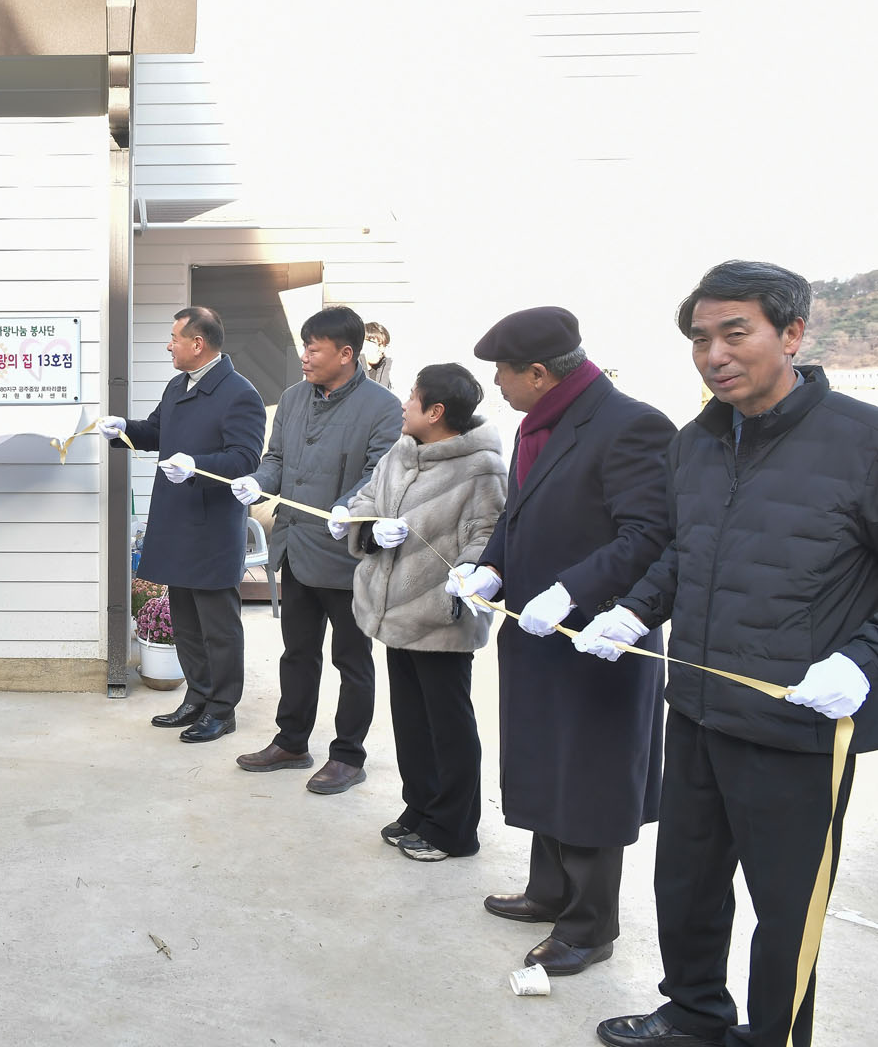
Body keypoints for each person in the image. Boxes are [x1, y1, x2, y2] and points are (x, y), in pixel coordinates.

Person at [578, 262, 878, 1047]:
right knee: (686, 883)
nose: (714, 354)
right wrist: (632, 611)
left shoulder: (862, 440)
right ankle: (692, 1015)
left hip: (796, 727)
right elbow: (686, 552)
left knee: (787, 908)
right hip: (699, 709)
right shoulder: (697, 443)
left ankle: (775, 1036)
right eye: (700, 338)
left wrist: (862, 661)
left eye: (735, 333)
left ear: (793, 333)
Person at [445, 305, 674, 975]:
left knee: (590, 780)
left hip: (598, 641)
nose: (497, 385)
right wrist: (491, 566)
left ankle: (589, 925)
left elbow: (648, 534)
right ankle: (548, 890)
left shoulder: (631, 425)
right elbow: (518, 514)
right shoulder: (538, 424)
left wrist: (572, 590)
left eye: (503, 372)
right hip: (537, 635)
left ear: (540, 373)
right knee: (545, 764)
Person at [227, 306, 402, 792]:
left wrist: (350, 506)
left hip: (347, 558)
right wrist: (257, 483)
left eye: (313, 348)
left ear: (346, 354)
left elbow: (379, 473)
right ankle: (291, 742)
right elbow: (276, 459)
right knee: (297, 654)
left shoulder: (382, 407)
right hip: (296, 548)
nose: (304, 356)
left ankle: (348, 755)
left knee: (352, 660)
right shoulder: (292, 398)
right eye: (305, 347)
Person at [343, 363, 505, 860]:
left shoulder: (482, 466)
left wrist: (469, 573)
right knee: (411, 720)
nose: (404, 404)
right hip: (395, 613)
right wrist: (366, 527)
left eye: (412, 396)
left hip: (441, 617)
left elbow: (489, 533)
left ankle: (454, 828)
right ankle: (421, 808)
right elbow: (366, 499)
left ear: (435, 411)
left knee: (448, 726)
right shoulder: (401, 450)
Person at [99, 306, 266, 742]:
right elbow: (157, 431)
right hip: (176, 519)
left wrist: (196, 466)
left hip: (212, 526)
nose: (168, 345)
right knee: (186, 621)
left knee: (218, 626)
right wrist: (124, 430)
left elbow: (246, 459)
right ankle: (198, 697)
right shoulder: (178, 385)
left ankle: (222, 709)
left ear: (198, 343)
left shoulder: (239, 393)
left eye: (174, 338)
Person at [362, 321, 393, 389]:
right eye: (378, 344)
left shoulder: (383, 374)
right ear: (362, 342)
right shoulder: (346, 372)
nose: (382, 350)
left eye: (384, 346)